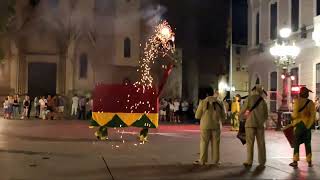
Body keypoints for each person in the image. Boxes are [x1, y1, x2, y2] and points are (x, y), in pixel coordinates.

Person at [193, 89, 226, 165]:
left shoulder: (203, 102)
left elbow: (197, 116)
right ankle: (216, 161)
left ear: (207, 94)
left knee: (204, 142)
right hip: (216, 125)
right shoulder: (220, 102)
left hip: (205, 125)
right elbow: (224, 116)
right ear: (214, 93)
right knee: (216, 143)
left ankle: (203, 161)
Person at [240, 85, 268, 168]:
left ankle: (249, 161)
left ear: (254, 90)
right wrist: (261, 120)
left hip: (250, 124)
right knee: (261, 143)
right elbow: (266, 115)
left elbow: (242, 111)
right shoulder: (263, 101)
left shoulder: (249, 99)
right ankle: (262, 161)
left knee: (250, 143)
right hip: (260, 125)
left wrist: (242, 118)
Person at [289, 87, 316, 168]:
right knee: (308, 143)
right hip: (307, 125)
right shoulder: (311, 103)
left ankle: (295, 161)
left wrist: (292, 117)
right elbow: (313, 115)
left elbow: (295, 114)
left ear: (300, 93)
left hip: (299, 125)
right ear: (307, 94)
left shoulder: (297, 101)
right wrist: (309, 124)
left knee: (296, 143)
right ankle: (309, 161)